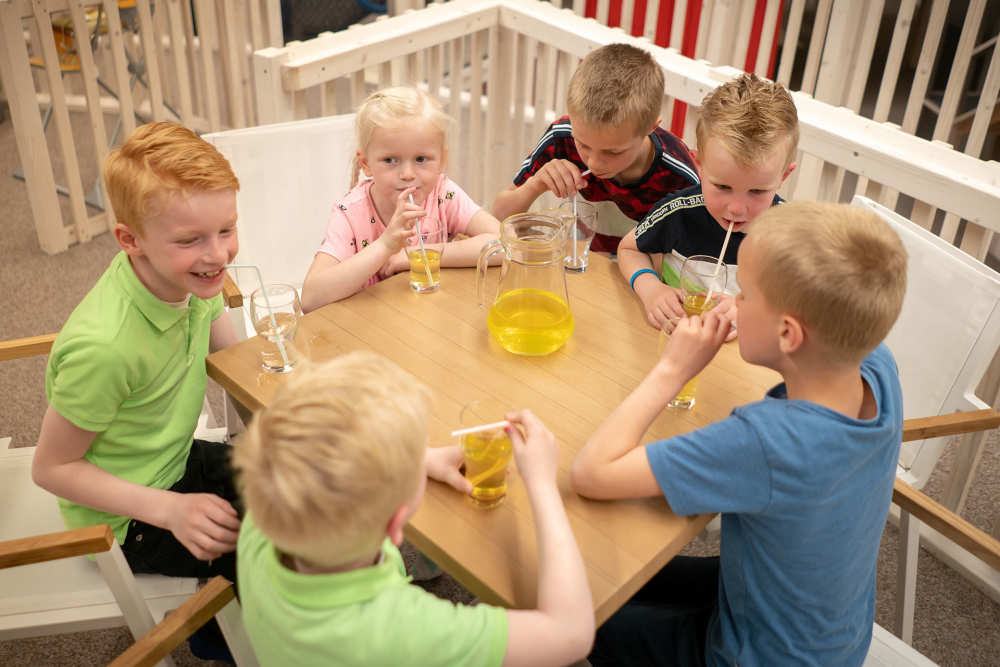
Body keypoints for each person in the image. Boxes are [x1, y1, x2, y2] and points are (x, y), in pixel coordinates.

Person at [571, 201, 909, 666]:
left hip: (749, 656)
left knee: (574, 612)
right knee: (614, 574)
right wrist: (757, 305)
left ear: (789, 334)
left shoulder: (765, 442)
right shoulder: (876, 363)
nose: (732, 303)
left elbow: (591, 473)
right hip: (826, 635)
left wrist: (673, 368)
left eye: (744, 295)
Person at [233, 352, 595, 666]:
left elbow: (310, 461)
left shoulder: (267, 512)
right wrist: (542, 482)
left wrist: (413, 461)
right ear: (396, 526)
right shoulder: (406, 632)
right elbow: (570, 633)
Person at [33, 122, 243, 583]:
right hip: (128, 520)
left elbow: (237, 362)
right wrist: (169, 509)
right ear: (131, 240)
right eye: (191, 240)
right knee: (286, 556)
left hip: (177, 458)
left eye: (226, 229)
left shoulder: (193, 278)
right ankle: (222, 637)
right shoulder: (105, 349)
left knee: (307, 493)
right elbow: (51, 468)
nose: (219, 255)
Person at [620, 72, 799, 331]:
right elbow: (628, 250)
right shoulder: (679, 212)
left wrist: (754, 310)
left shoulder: (795, 237)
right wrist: (651, 291)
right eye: (723, 186)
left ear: (784, 176)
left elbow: (810, 307)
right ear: (699, 165)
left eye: (757, 191)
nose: (737, 208)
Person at [301, 87, 501, 312]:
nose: (407, 173)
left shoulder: (442, 194)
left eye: (421, 158)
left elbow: (505, 243)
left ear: (442, 159)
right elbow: (310, 298)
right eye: (390, 160)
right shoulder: (350, 213)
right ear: (366, 163)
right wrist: (385, 245)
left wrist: (415, 255)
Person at [492, 43, 698, 253]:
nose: (594, 163)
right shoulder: (562, 137)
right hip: (585, 257)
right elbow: (499, 217)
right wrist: (535, 184)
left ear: (651, 127)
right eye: (583, 144)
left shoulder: (680, 178)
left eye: (613, 152)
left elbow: (690, 256)